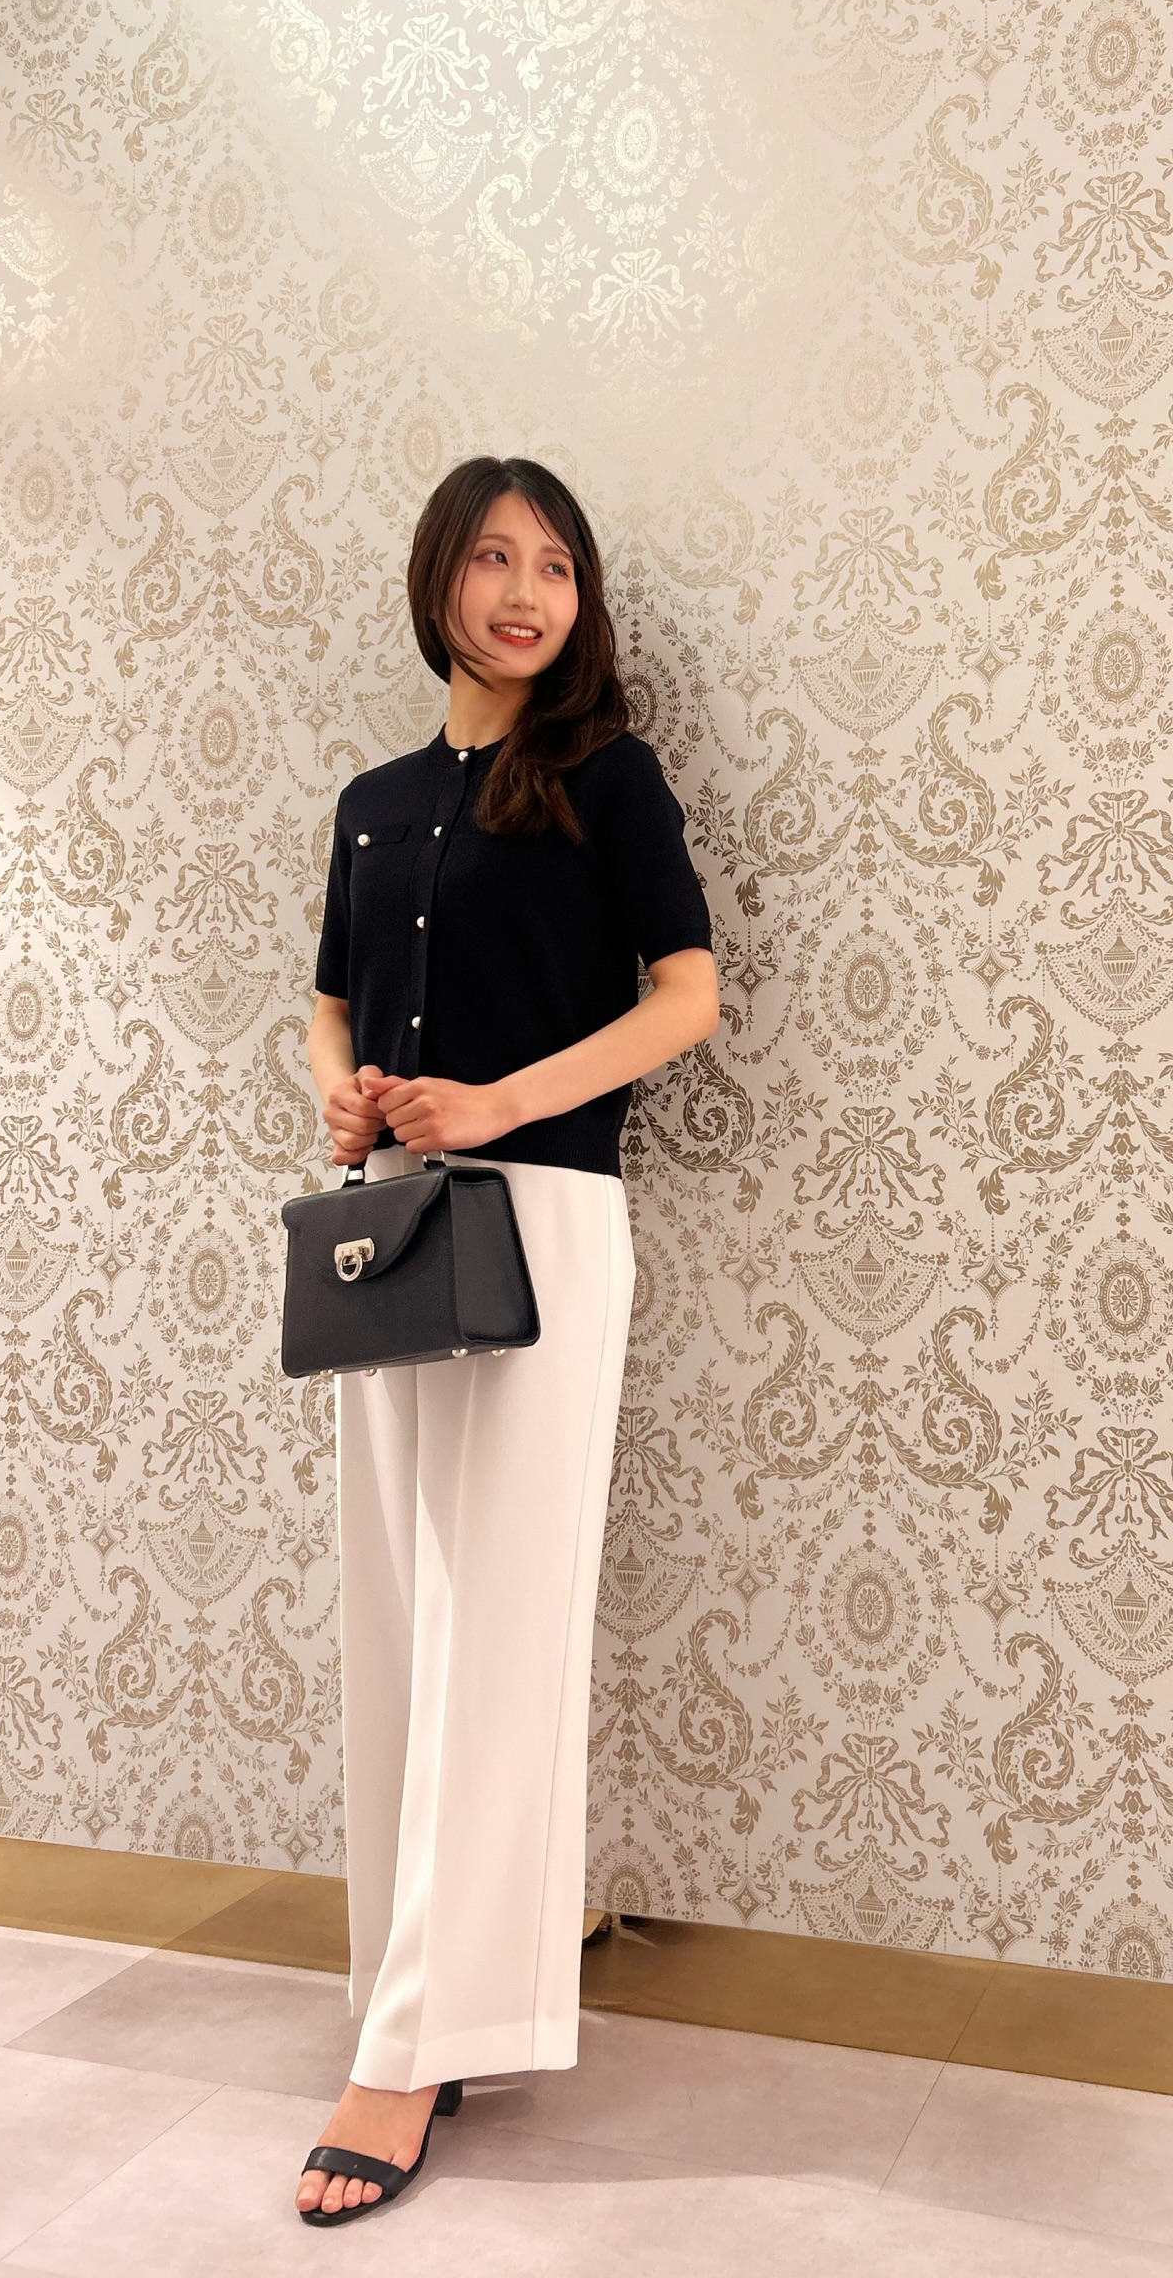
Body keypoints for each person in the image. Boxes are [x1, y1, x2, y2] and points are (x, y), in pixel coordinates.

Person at [295, 455, 720, 2224]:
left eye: (555, 564)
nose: (527, 591)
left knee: (504, 1626)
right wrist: (346, 1096)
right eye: (493, 558)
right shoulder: (375, 802)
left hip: (543, 1218)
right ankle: (416, 1995)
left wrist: (497, 1104)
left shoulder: (609, 780)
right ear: (439, 583)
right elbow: (329, 998)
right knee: (400, 1609)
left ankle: (412, 2051)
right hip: (396, 1229)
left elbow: (687, 996)